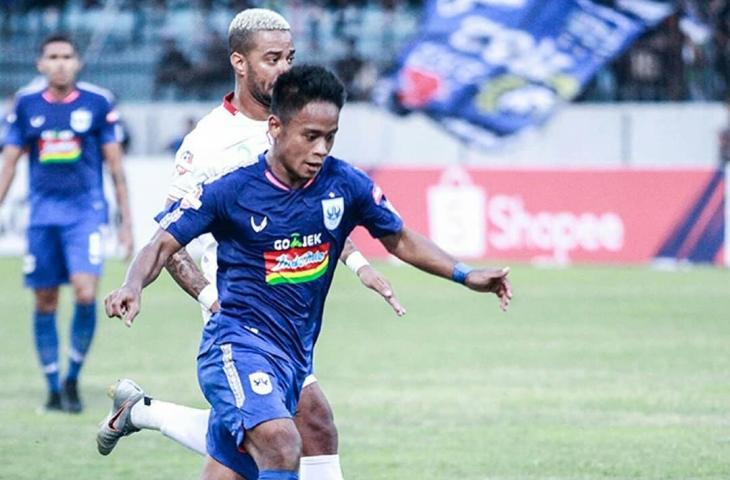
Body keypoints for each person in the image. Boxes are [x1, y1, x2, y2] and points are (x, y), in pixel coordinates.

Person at [105, 64, 512, 480]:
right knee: (283, 444)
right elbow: (162, 243)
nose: (321, 149)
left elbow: (400, 238)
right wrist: (132, 285)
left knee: (258, 456)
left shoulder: (345, 184)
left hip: (294, 357)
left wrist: (465, 274)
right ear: (276, 127)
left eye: (330, 137)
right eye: (310, 136)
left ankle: (137, 411)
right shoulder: (232, 190)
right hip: (236, 346)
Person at [97, 9, 403, 480]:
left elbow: (315, 206)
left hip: (292, 306)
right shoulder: (208, 143)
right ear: (240, 62)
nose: (285, 68)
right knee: (297, 429)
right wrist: (209, 298)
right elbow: (170, 241)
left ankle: (140, 411)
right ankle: (142, 412)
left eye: (290, 57)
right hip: (241, 309)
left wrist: (359, 263)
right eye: (272, 58)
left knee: (256, 445)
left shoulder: (300, 121)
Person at [0, 34, 134, 412]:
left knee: (85, 292)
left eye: (67, 56)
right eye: (52, 57)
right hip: (42, 217)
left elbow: (116, 167)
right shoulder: (26, 105)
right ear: (40, 64)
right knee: (45, 299)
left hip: (85, 214)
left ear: (77, 62)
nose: (60, 63)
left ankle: (73, 379)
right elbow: (8, 163)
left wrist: (125, 224)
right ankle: (53, 385)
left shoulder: (97, 102)